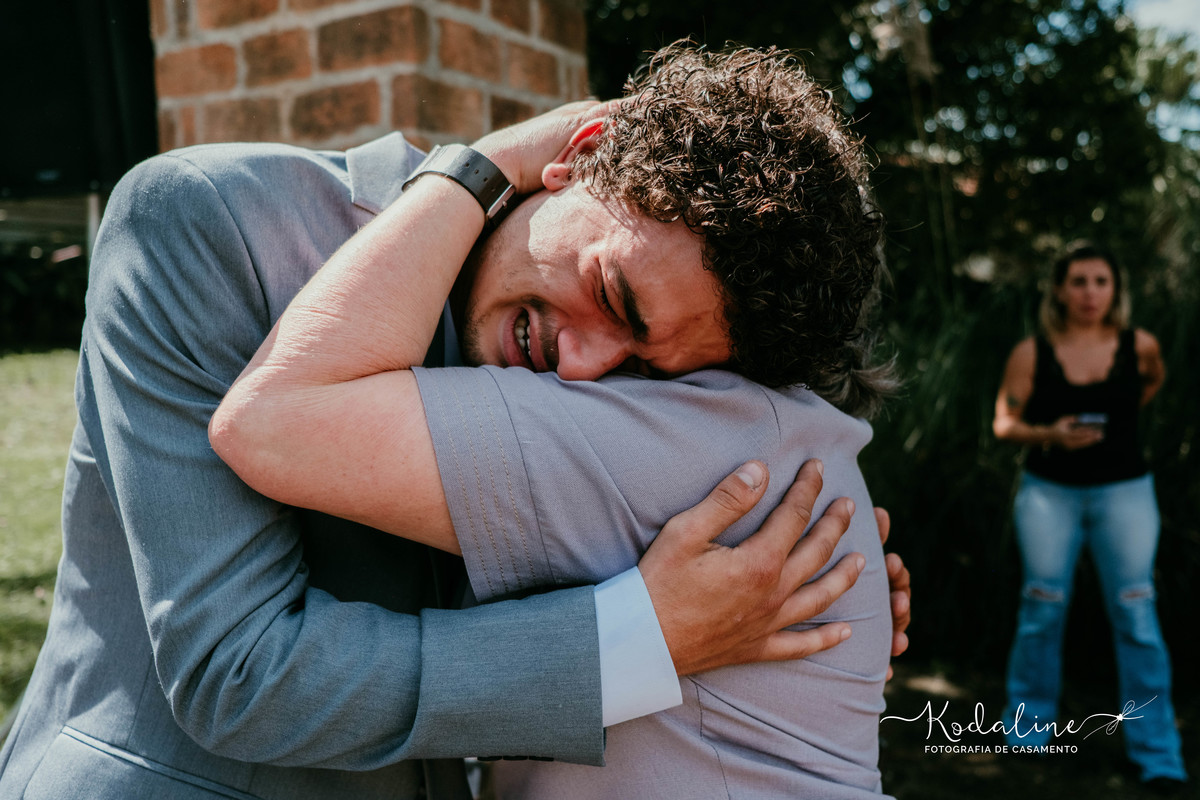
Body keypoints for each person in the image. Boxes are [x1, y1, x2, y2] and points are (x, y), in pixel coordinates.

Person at [0, 44, 910, 800]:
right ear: (579, 156)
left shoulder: (597, 387)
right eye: (610, 295)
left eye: (641, 370)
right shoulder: (211, 221)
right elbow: (236, 677)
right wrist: (634, 643)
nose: (584, 366)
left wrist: (833, 613)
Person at [993, 240, 1186, 791]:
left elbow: (1150, 384)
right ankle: (1027, 731)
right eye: (1078, 281)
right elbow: (1003, 424)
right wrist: (1050, 435)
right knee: (1042, 608)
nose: (1090, 293)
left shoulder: (1140, 347)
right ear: (1059, 289)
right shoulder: (1032, 352)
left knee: (1137, 615)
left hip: (1125, 493)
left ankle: (1158, 754)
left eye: (1101, 281)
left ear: (1115, 289)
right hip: (1049, 493)